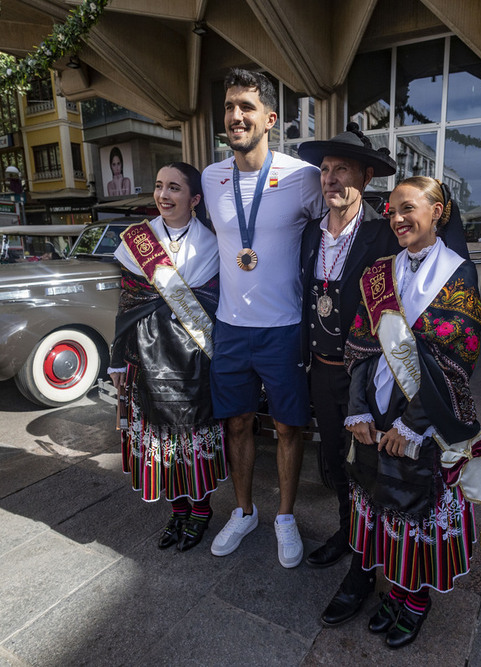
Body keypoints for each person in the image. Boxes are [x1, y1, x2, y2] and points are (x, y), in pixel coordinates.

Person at [339, 176, 481, 648]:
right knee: (383, 501)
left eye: (408, 208)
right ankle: (394, 590)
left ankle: (415, 599)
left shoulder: (459, 273)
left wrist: (413, 424)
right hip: (376, 412)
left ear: (437, 212)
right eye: (391, 210)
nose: (398, 218)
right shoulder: (378, 273)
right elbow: (358, 347)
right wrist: (357, 410)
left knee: (415, 506)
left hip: (424, 419)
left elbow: (456, 362)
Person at [201, 68, 323, 568]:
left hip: (284, 327)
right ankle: (245, 510)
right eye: (230, 107)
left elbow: (334, 229)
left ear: (270, 118)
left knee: (291, 427)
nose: (236, 116)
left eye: (247, 107)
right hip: (230, 328)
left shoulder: (301, 177)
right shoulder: (211, 178)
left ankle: (286, 517)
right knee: (236, 424)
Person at [295, 125, 401, 620]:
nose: (331, 180)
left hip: (365, 376)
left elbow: (390, 322)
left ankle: (363, 570)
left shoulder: (383, 237)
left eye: (342, 170)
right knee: (335, 463)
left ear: (366, 175)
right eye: (325, 171)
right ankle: (347, 533)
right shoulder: (308, 234)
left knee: (366, 471)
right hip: (320, 370)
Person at [107, 162, 227, 552]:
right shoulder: (136, 243)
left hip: (194, 358)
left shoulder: (214, 244)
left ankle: (201, 510)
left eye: (174, 188)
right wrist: (116, 359)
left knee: (192, 435)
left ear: (194, 199)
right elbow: (127, 305)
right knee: (161, 440)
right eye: (159, 186)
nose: (163, 195)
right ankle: (178, 510)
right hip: (144, 356)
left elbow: (215, 305)